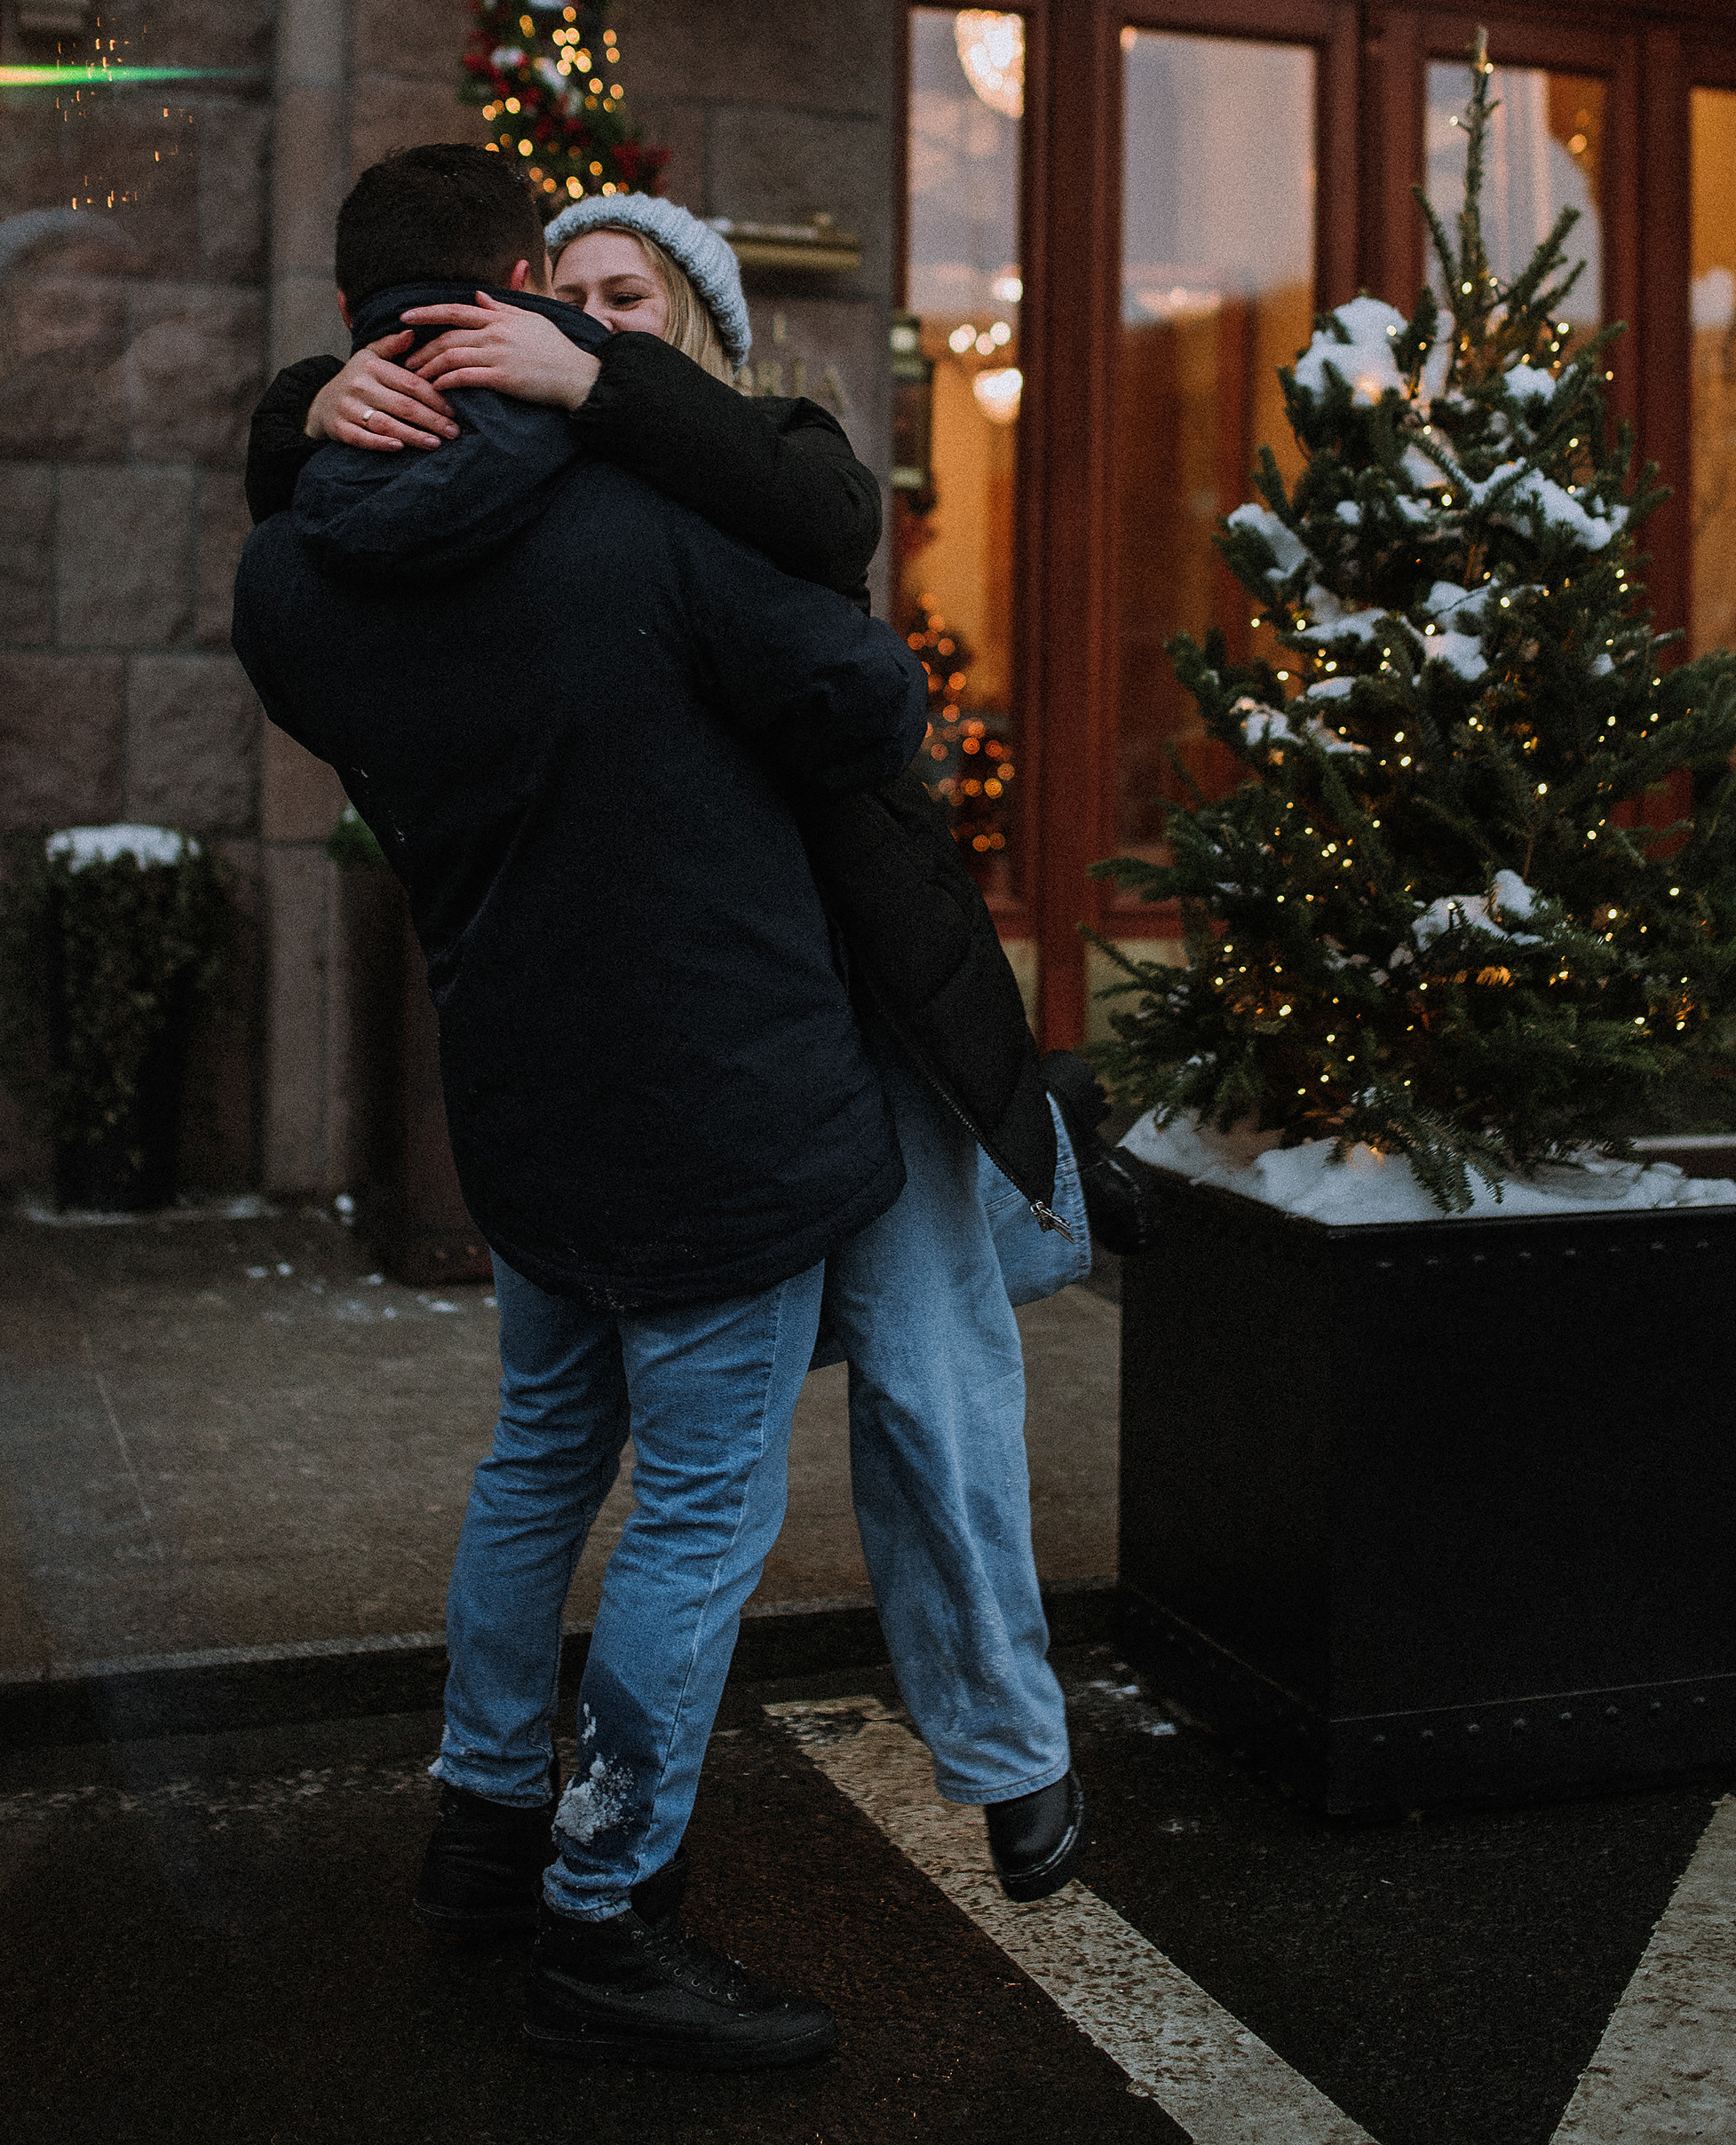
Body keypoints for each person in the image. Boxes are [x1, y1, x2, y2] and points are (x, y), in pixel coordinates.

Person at [243, 183, 1154, 1951]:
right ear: (489, 311)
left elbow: (818, 513)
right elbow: (820, 684)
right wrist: (302, 407)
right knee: (664, 1477)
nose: (590, 318)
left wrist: (561, 383)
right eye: (564, 293)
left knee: (928, 1375)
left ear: (697, 335)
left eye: (628, 300)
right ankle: (594, 1889)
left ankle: (1005, 1748)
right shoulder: (592, 513)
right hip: (719, 1063)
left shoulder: (724, 466)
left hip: (850, 1018)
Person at [233, 144, 925, 2070]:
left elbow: (345, 561)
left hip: (521, 1096)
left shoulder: (287, 575)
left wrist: (298, 427)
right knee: (702, 1507)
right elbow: (859, 694)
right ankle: (603, 1911)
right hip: (720, 1095)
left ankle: (483, 1827)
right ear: (521, 282)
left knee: (543, 1451)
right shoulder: (635, 518)